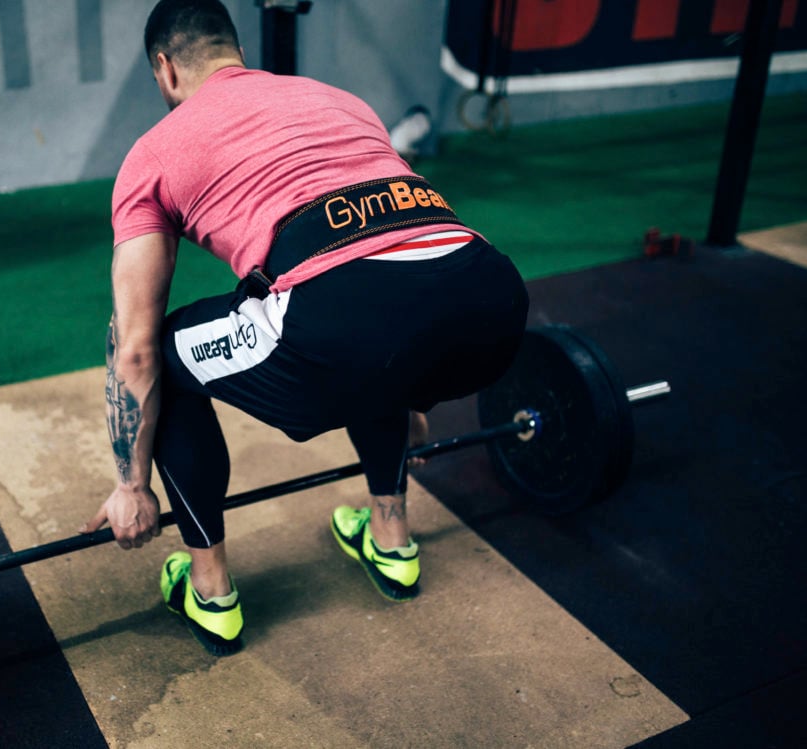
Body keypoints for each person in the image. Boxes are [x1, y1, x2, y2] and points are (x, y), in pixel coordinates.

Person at [79, 0, 529, 656]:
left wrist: (131, 485)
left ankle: (209, 591)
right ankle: (390, 537)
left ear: (165, 69)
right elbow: (392, 257)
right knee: (360, 317)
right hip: (492, 298)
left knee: (173, 357)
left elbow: (138, 349)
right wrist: (416, 392)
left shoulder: (153, 154)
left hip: (350, 321)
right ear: (233, 50)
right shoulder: (336, 99)